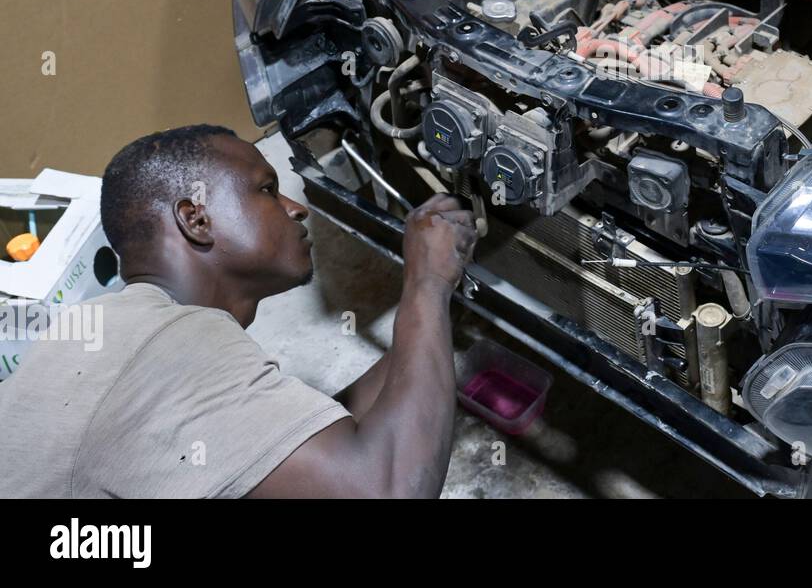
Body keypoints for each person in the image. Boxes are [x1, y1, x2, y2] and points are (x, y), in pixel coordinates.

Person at [0, 124, 474, 498]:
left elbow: (298, 439)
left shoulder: (120, 326)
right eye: (268, 189)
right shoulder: (171, 343)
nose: (295, 208)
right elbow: (387, 489)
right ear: (197, 219)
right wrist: (426, 284)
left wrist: (433, 321)